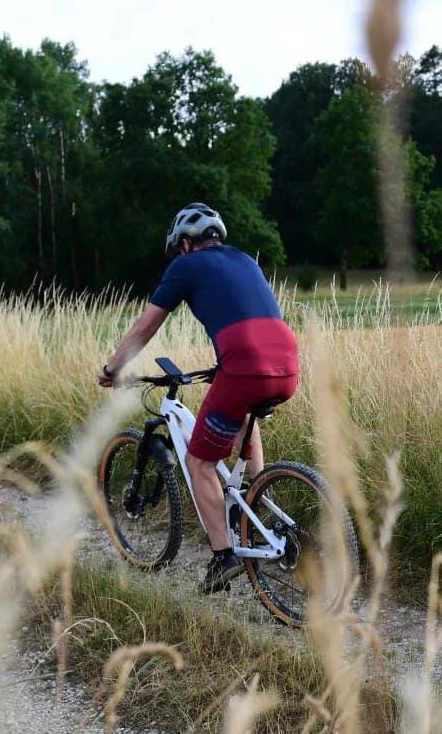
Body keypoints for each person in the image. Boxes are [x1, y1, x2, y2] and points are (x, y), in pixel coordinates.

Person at [98, 203, 300, 594]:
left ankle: (225, 556)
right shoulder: (245, 260)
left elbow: (146, 325)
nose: (178, 255)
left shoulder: (186, 266)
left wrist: (113, 369)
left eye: (178, 249)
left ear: (186, 244)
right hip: (287, 364)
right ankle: (256, 501)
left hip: (244, 367)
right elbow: (246, 315)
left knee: (199, 463)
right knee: (242, 418)